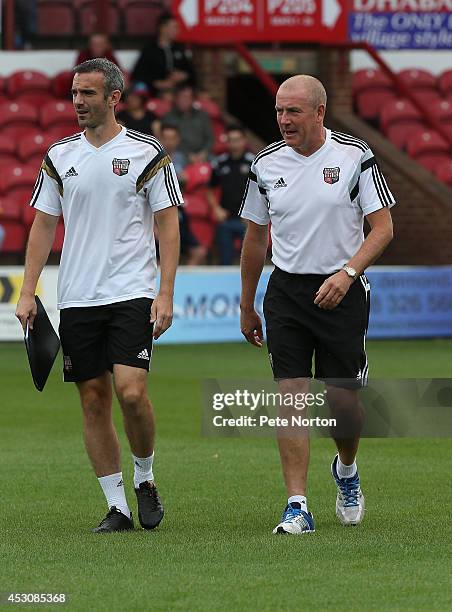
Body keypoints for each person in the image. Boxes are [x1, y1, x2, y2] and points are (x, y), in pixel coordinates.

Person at [15, 58, 182, 534]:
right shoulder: (60, 155)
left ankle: (145, 477)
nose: (77, 103)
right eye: (73, 94)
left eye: (87, 94)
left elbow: (168, 224)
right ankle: (117, 506)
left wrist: (165, 293)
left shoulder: (147, 152)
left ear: (113, 98)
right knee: (92, 400)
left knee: (131, 391)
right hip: (77, 297)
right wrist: (28, 292)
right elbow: (43, 224)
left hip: (131, 291)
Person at [239, 75, 394, 535]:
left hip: (342, 291)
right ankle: (297, 505)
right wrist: (247, 304)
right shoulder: (265, 164)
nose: (284, 120)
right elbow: (254, 238)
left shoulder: (354, 156)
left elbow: (383, 228)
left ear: (319, 112)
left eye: (294, 111)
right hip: (286, 293)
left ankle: (345, 470)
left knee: (343, 404)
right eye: (279, 112)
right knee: (292, 398)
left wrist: (348, 275)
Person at [159, 124, 207, 265]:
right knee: (160, 256)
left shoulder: (182, 159)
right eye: (165, 138)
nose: (169, 142)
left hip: (179, 211)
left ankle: (179, 284)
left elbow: (190, 179)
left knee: (199, 252)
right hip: (157, 214)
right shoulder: (151, 158)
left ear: (178, 140)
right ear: (159, 138)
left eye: (172, 138)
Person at [207, 125, 254, 265]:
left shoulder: (253, 162)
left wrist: (252, 214)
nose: (235, 144)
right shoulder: (220, 162)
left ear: (244, 140)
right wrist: (216, 208)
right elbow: (209, 189)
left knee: (249, 261)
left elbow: (261, 191)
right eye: (231, 140)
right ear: (227, 141)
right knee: (224, 261)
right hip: (226, 219)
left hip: (247, 221)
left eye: (238, 140)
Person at [131, 12, 196, 96]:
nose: (177, 30)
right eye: (174, 27)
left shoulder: (179, 48)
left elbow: (192, 73)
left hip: (178, 92)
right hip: (155, 93)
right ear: (162, 28)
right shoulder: (150, 50)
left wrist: (183, 75)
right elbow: (137, 75)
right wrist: (157, 83)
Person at [161, 84, 213, 158]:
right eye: (181, 97)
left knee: (215, 164)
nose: (184, 100)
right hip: (179, 154)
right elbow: (169, 141)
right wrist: (187, 154)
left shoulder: (202, 116)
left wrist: (204, 152)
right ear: (176, 99)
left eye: (187, 97)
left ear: (193, 100)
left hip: (203, 154)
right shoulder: (169, 117)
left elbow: (210, 138)